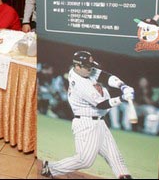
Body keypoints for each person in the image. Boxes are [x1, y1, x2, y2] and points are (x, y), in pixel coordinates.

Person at [41, 50, 134, 179]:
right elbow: (102, 104)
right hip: (86, 124)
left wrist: (122, 85)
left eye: (91, 66)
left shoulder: (83, 70)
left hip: (99, 122)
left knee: (115, 157)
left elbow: (105, 76)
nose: (91, 69)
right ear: (77, 66)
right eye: (87, 67)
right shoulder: (79, 84)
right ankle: (51, 168)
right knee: (85, 160)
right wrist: (122, 98)